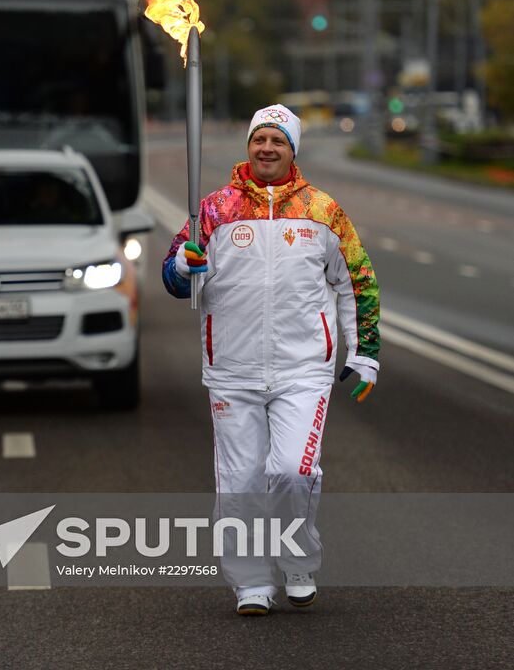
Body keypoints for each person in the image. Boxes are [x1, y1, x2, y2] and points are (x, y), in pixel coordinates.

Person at [163, 104, 380, 616]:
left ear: (292, 150)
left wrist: (365, 352)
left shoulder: (323, 211)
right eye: (259, 139)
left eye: (277, 141)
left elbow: (358, 282)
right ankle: (251, 584)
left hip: (303, 369)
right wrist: (182, 263)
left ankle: (298, 560)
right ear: (248, 146)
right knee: (238, 482)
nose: (266, 148)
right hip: (232, 372)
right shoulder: (213, 210)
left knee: (291, 471)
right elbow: (175, 280)